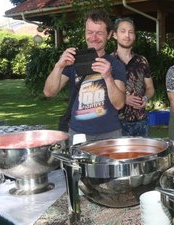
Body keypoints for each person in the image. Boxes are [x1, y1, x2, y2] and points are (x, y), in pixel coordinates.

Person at [43, 10, 126, 145]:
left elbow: (119, 104)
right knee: (77, 167)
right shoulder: (73, 60)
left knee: (107, 167)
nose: (94, 37)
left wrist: (108, 76)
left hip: (109, 134)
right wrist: (59, 65)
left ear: (109, 35)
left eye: (99, 33)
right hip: (78, 133)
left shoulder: (116, 65)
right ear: (85, 33)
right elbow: (49, 92)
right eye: (89, 32)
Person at [112, 17, 155, 137]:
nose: (127, 35)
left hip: (141, 122)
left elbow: (150, 88)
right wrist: (123, 99)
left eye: (131, 32)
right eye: (123, 31)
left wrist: (146, 98)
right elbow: (101, 92)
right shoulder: (108, 62)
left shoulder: (142, 61)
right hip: (116, 123)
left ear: (134, 36)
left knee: (143, 156)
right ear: (115, 35)